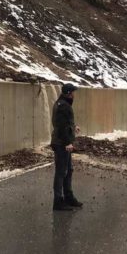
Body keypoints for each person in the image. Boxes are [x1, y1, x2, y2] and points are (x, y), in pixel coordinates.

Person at [50, 82, 84, 211]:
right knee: (61, 172)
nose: (75, 95)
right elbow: (60, 127)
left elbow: (65, 122)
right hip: (61, 144)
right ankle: (58, 201)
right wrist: (67, 143)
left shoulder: (63, 104)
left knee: (68, 170)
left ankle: (69, 197)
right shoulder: (63, 106)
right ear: (69, 94)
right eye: (74, 92)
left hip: (62, 142)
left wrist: (73, 127)